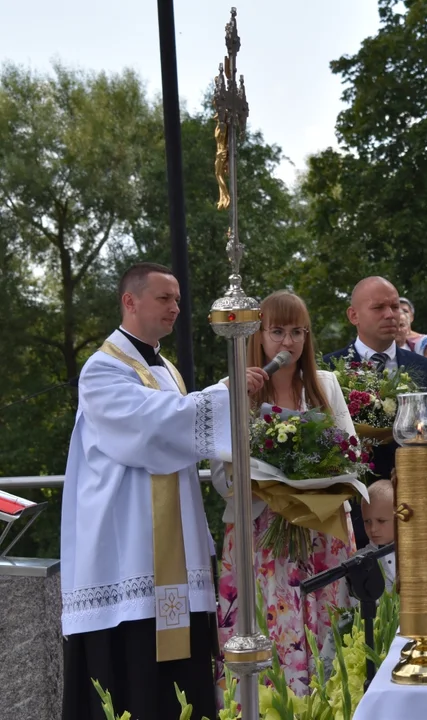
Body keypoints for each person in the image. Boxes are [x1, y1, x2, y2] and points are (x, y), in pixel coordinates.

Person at [61, 263, 241, 720]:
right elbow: (151, 428)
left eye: (178, 299)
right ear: (130, 301)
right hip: (127, 551)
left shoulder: (166, 370)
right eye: (164, 298)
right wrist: (226, 393)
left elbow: (177, 423)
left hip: (174, 554)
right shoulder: (102, 369)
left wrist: (221, 400)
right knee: (133, 677)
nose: (175, 307)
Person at [214, 291, 357, 696]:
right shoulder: (229, 388)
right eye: (277, 331)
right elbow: (222, 482)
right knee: (269, 632)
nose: (288, 342)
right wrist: (242, 402)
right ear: (257, 335)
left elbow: (351, 456)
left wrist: (309, 475)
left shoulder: (324, 385)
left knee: (327, 630)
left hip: (320, 528)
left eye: (297, 331)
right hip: (261, 532)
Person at [323, 277, 427, 498]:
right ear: (353, 315)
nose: (390, 314)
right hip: (353, 493)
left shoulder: (425, 368)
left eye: (395, 307)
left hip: (412, 492)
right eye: (378, 307)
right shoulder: (328, 370)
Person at [359, 480, 396, 592]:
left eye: (381, 521)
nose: (373, 529)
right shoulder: (359, 560)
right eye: (367, 521)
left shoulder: (420, 554)